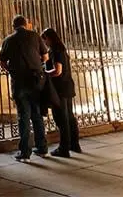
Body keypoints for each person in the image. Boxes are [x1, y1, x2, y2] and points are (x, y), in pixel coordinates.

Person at [0, 15, 48, 161]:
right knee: (37, 115)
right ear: (26, 24)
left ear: (13, 26)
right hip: (35, 81)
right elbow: (45, 56)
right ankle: (42, 148)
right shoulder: (34, 36)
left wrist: (12, 70)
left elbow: (2, 62)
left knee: (24, 117)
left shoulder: (8, 40)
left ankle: (25, 152)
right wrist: (36, 65)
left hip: (19, 82)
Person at [42, 27, 82, 156]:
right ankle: (74, 144)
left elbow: (57, 70)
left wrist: (45, 73)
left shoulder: (56, 51)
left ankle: (64, 148)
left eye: (45, 40)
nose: (45, 43)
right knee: (69, 116)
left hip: (60, 89)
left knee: (61, 118)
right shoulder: (62, 50)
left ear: (49, 38)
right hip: (67, 86)